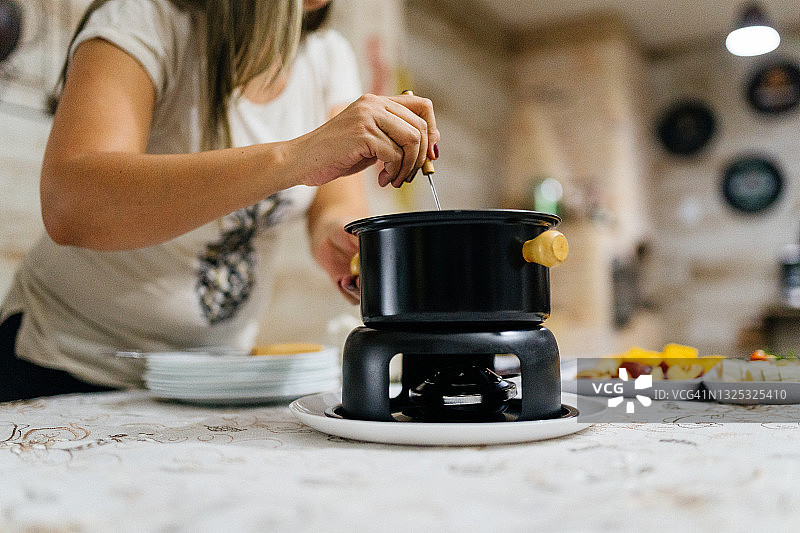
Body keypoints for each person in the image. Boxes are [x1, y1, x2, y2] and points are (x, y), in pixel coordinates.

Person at [0, 0, 439, 402]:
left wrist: (342, 242)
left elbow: (335, 205)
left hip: (213, 376)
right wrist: (295, 156)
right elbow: (71, 205)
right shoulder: (145, 17)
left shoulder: (326, 56)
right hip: (64, 364)